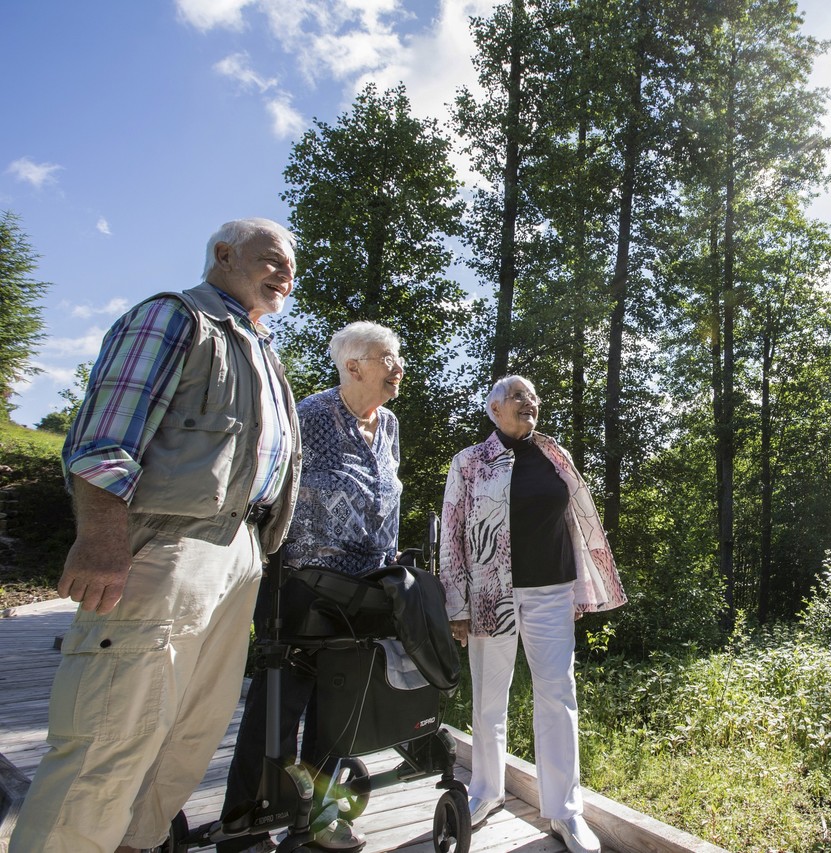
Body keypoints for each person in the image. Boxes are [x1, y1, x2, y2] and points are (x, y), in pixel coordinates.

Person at [10, 218, 302, 853]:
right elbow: (101, 442)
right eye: (272, 260)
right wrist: (101, 540)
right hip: (169, 546)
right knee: (110, 734)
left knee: (187, 738)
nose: (286, 274)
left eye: (291, 267)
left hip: (241, 551)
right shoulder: (175, 317)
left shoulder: (259, 346)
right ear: (224, 254)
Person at [219, 321, 406, 853]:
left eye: (397, 357)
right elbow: (268, 491)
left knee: (338, 708)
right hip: (301, 583)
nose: (398, 367)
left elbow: (385, 495)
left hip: (365, 587)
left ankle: (320, 818)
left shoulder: (389, 424)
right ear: (354, 366)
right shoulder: (309, 416)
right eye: (388, 358)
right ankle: (246, 823)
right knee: (278, 705)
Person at [439, 375, 626, 853]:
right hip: (490, 595)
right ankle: (486, 792)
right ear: (495, 408)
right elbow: (452, 536)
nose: (530, 403)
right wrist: (456, 605)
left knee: (558, 697)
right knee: (488, 699)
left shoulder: (553, 453)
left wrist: (581, 591)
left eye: (534, 397)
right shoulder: (469, 462)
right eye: (519, 396)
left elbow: (577, 521)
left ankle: (565, 811)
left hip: (552, 592)